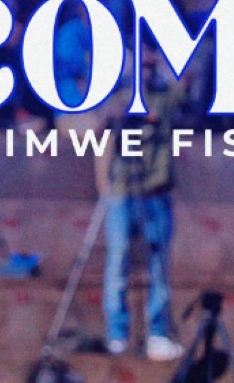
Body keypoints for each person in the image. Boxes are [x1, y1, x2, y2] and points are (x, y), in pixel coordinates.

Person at [101, 44, 187, 361]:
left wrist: (161, 62)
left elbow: (186, 81)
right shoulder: (117, 98)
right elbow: (100, 122)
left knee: (158, 265)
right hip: (122, 189)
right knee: (119, 262)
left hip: (157, 190)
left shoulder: (165, 96)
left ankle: (158, 333)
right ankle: (117, 334)